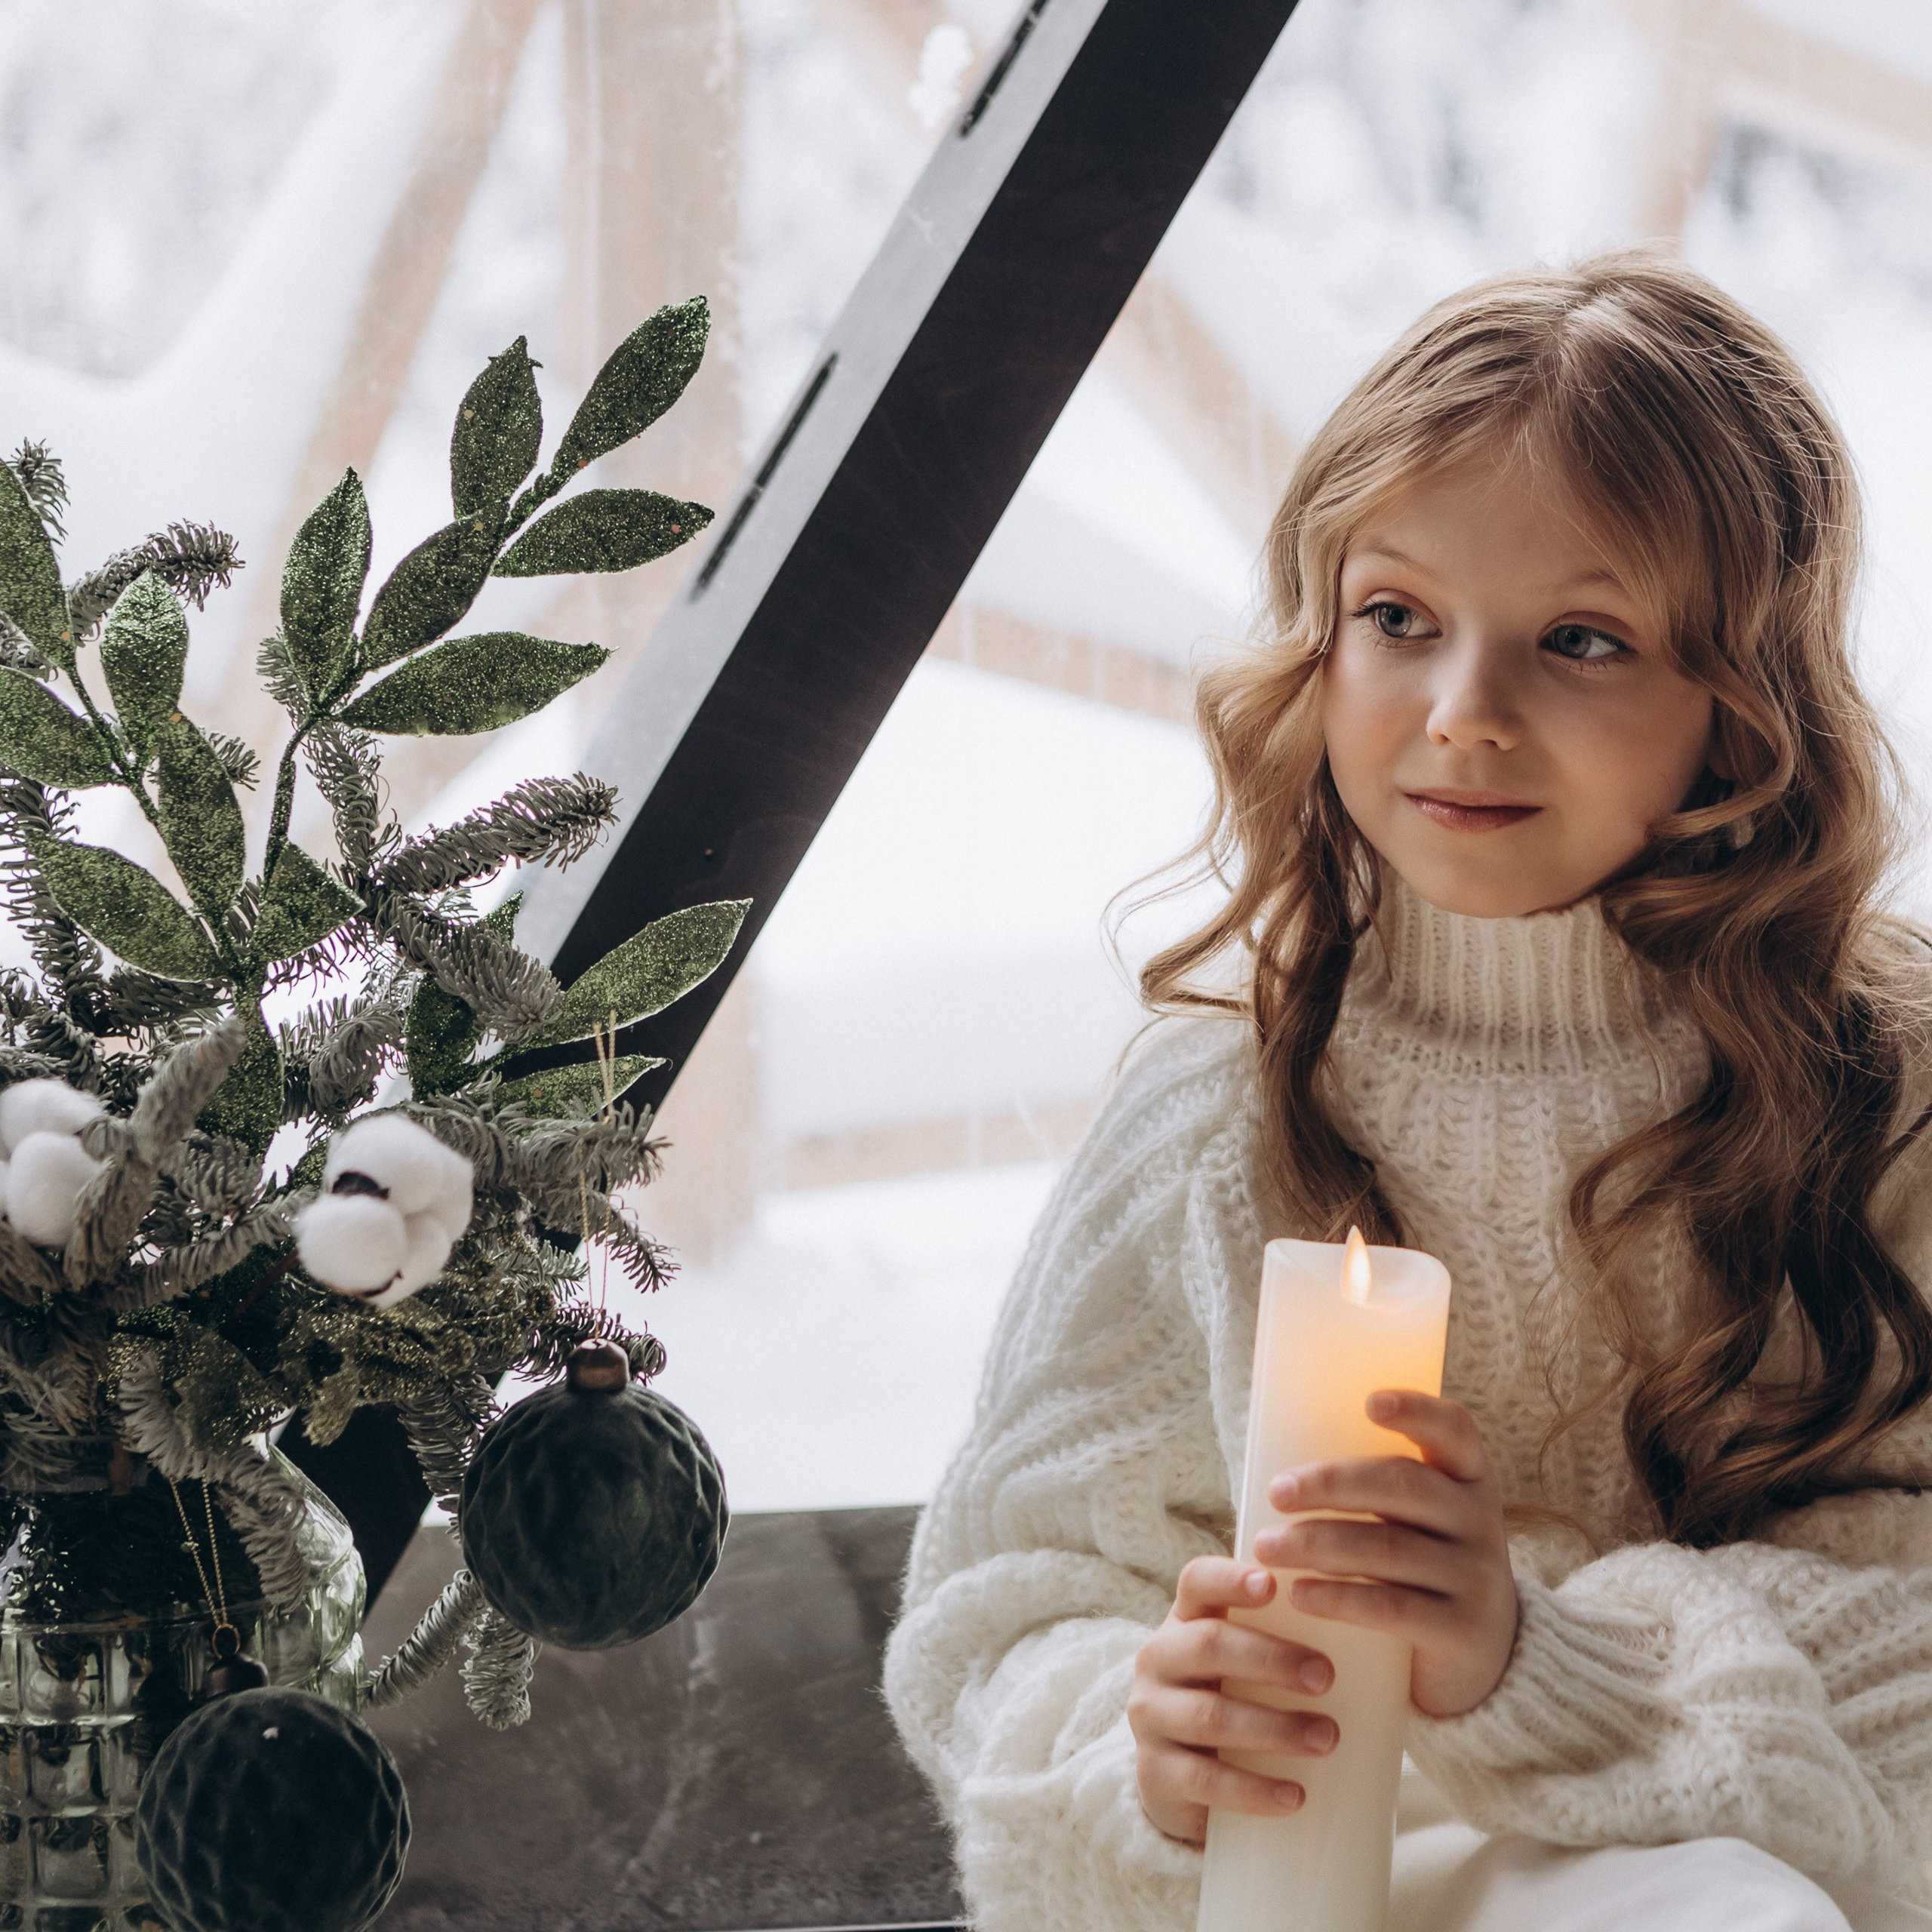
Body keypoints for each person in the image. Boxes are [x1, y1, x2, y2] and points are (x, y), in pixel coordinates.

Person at [882, 253, 1932, 1932]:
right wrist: (1144, 1742)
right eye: (1396, 619)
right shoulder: (1216, 1104)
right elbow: (1001, 1613)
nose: (1463, 714)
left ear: (1743, 708)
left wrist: (1527, 1661)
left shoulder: (1885, 1088)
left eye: (1577, 639)